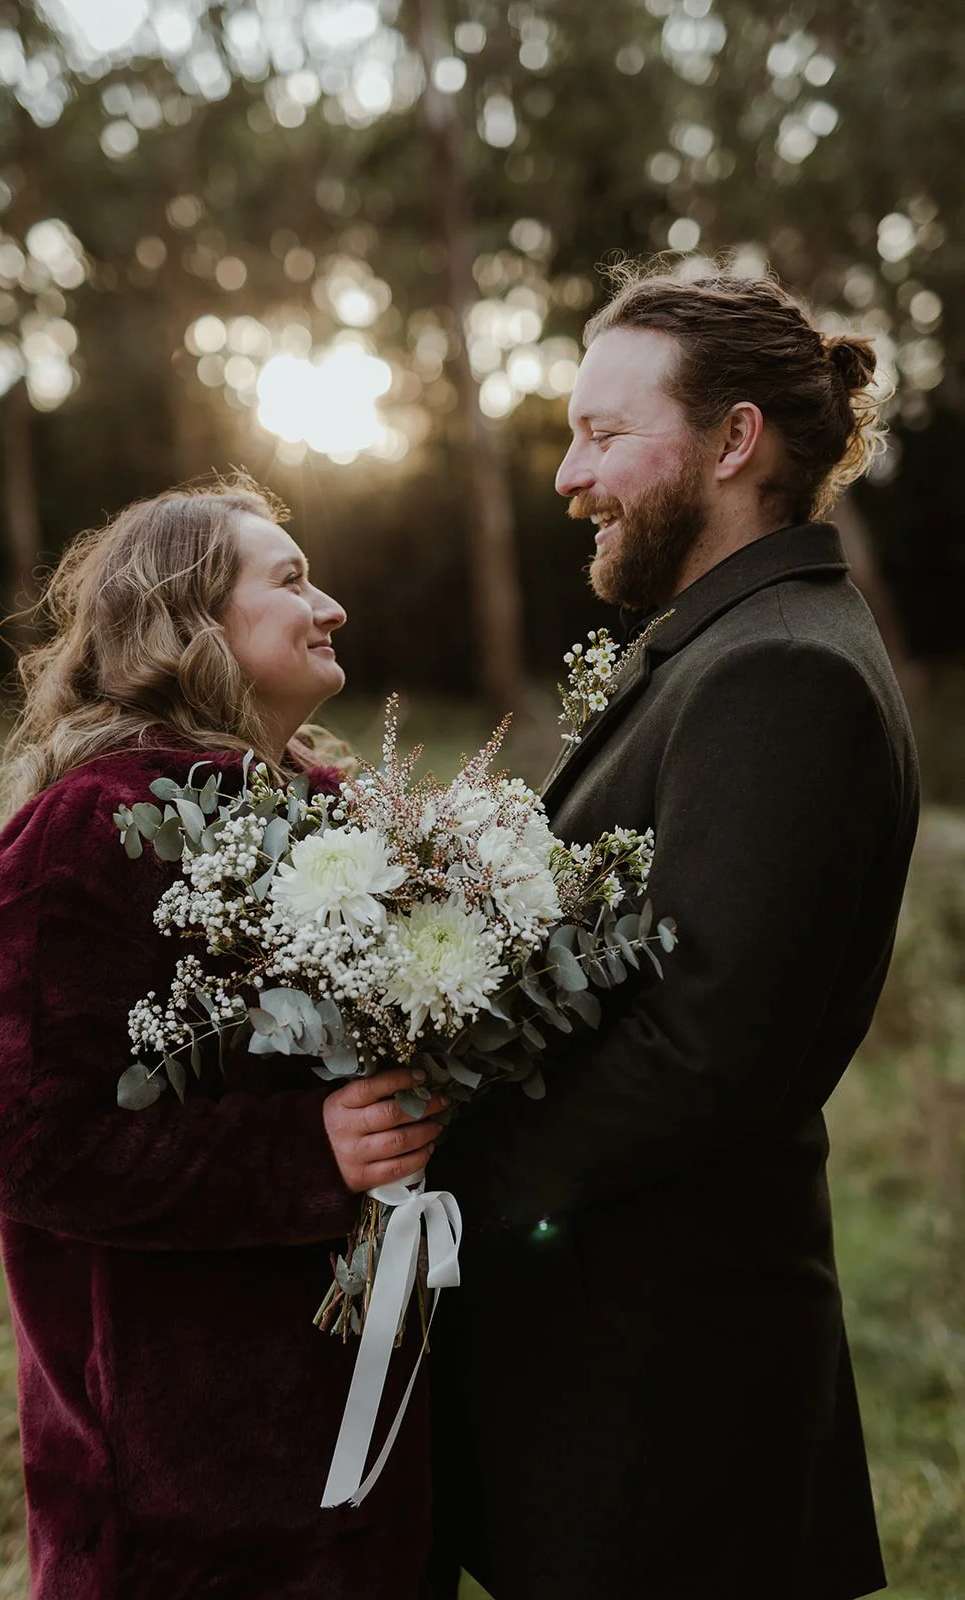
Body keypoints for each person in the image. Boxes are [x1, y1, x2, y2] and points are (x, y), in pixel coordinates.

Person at [429, 270, 918, 1600]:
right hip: (627, 1373)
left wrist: (444, 1167)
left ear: (732, 441)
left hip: (673, 1404)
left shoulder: (781, 671)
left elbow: (705, 1051)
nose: (566, 478)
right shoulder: (720, 642)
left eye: (601, 435)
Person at [0, 480, 446, 1599]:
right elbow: (35, 1146)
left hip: (365, 1434)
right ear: (187, 622)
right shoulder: (88, 831)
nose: (327, 605)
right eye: (288, 580)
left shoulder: (333, 810)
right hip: (187, 1493)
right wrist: (303, 1153)